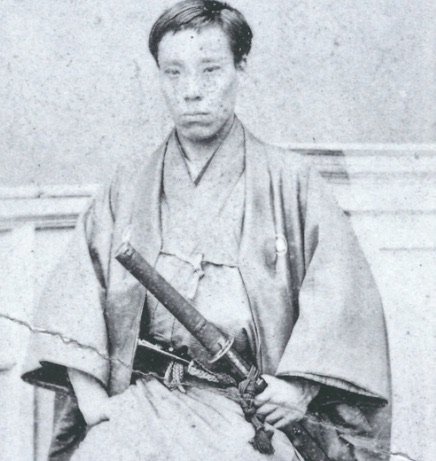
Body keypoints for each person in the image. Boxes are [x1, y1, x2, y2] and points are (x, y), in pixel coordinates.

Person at [22, 1, 391, 460]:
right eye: (173, 73)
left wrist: (299, 389)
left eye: (210, 70)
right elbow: (73, 299)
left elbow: (342, 303)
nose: (191, 91)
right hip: (145, 402)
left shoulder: (292, 181)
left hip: (248, 411)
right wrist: (95, 404)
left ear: (241, 68)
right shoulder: (126, 187)